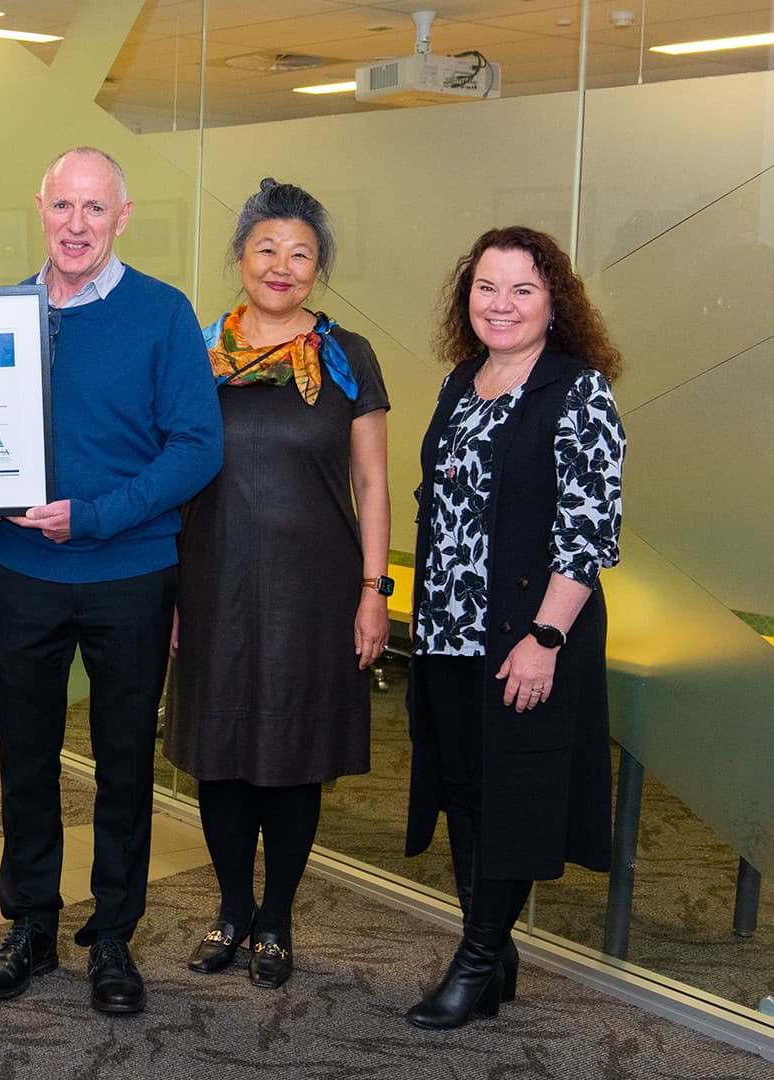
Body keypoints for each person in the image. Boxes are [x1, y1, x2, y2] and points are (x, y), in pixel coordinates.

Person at [0, 147, 222, 1014]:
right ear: (40, 207)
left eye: (95, 210)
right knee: (23, 761)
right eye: (63, 207)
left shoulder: (162, 314)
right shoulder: (1, 313)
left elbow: (197, 448)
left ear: (123, 216)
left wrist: (98, 515)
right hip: (22, 572)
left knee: (122, 766)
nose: (77, 226)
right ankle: (31, 925)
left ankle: (112, 934)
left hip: (130, 574)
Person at [164, 179, 390, 990]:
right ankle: (231, 910)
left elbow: (374, 485)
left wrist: (375, 588)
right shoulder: (195, 351)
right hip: (210, 582)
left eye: (301, 253)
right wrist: (169, 594)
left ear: (319, 266)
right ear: (239, 257)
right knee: (221, 758)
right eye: (267, 249)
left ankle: (278, 918)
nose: (282, 266)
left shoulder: (347, 356)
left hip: (316, 593)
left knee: (293, 760)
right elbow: (167, 475)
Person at [403, 225, 625, 1029]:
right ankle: (492, 951)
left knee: (513, 797)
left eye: (522, 290)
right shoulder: (463, 381)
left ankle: (473, 962)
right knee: (464, 791)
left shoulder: (578, 391)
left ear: (553, 301)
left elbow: (588, 529)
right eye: (486, 288)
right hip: (447, 633)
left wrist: (547, 639)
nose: (501, 305)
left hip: (525, 638)